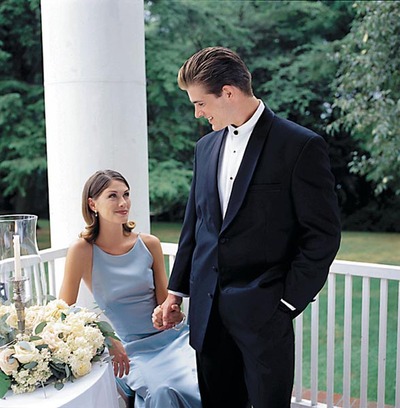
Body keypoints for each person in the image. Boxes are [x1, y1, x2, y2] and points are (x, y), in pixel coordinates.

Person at [154, 47, 341, 408]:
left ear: (228, 92)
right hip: (208, 317)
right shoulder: (205, 148)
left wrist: (285, 302)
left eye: (200, 103)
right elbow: (195, 226)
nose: (197, 113)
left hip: (265, 316)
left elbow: (322, 235)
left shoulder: (299, 145)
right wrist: (175, 293)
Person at [59, 169, 202, 408]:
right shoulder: (82, 250)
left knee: (204, 382)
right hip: (132, 351)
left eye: (126, 194)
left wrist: (171, 312)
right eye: (112, 196)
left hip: (173, 340)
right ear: (92, 204)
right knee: (163, 392)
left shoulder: (149, 244)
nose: (123, 202)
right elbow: (63, 312)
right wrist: (107, 338)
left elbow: (165, 303)